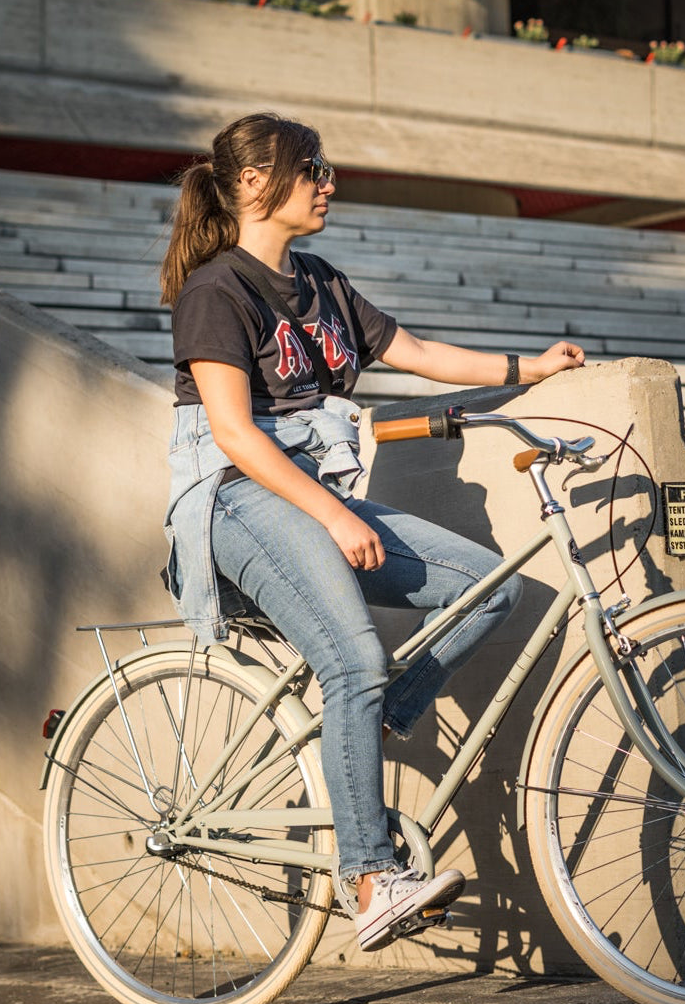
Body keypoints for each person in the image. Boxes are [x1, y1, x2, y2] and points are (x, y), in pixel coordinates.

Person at [159, 112, 585, 951]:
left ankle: (376, 712)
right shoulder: (216, 291)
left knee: (486, 589)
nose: (327, 182)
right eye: (310, 168)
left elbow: (417, 350)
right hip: (235, 500)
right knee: (350, 656)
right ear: (254, 183)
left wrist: (527, 368)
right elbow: (237, 437)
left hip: (309, 496)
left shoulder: (319, 283)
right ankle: (369, 876)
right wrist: (333, 512)